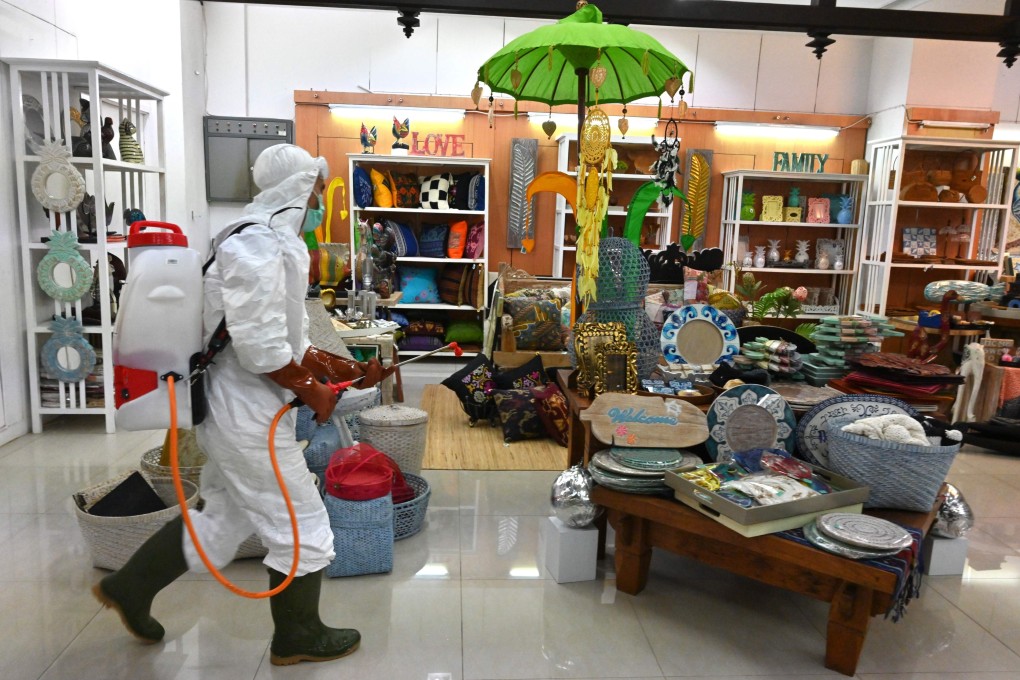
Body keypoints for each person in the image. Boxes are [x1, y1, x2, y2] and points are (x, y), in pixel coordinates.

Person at [93, 144, 391, 666]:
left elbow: (291, 344)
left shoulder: (269, 240)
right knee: (304, 524)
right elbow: (261, 350)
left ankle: (130, 587)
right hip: (245, 416)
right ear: (297, 188)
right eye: (318, 190)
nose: (320, 202)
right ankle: (298, 635)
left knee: (223, 520)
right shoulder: (256, 244)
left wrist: (347, 369)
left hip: (246, 408)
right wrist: (313, 390)